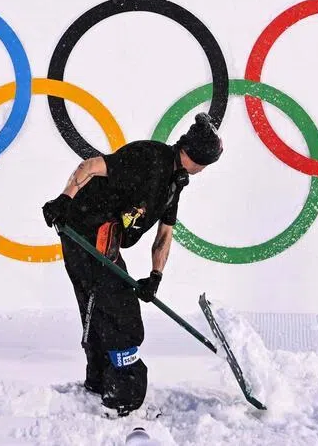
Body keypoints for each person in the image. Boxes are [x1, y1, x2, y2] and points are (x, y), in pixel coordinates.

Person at [42, 112, 223, 417]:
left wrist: (156, 276)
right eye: (205, 163)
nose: (204, 170)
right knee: (120, 311)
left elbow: (164, 234)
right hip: (85, 227)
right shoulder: (148, 157)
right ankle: (122, 395)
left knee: (104, 305)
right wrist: (64, 200)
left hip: (105, 235)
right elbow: (90, 166)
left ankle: (100, 381)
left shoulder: (174, 183)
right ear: (194, 155)